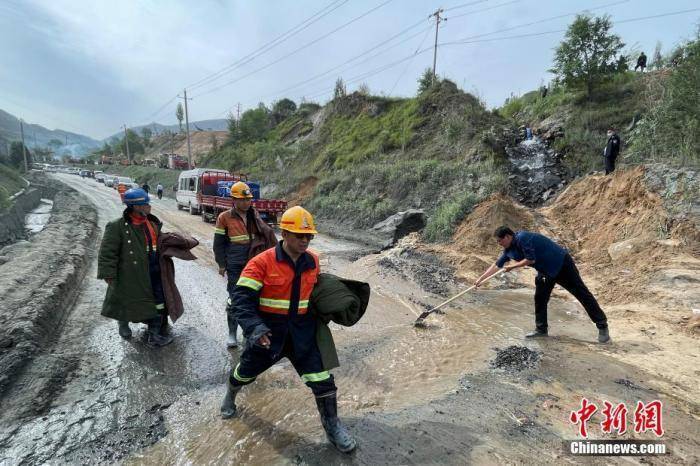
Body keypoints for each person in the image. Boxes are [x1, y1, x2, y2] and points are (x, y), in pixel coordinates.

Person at [219, 206, 357, 453]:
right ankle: (231, 393)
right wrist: (255, 328)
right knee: (244, 373)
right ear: (284, 233)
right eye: (299, 236)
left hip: (302, 333)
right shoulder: (261, 263)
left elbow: (315, 291)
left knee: (322, 381)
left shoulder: (313, 260)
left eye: (309, 236)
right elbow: (240, 300)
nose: (305, 240)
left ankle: (333, 426)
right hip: (268, 334)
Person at [475, 226, 610, 343]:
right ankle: (541, 330)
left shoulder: (523, 238)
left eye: (500, 240)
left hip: (561, 264)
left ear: (508, 236)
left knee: (581, 293)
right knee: (540, 298)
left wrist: (513, 266)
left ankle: (602, 326)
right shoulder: (509, 249)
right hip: (545, 271)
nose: (499, 243)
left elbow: (530, 259)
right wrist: (481, 279)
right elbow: (497, 265)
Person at [97, 188, 173, 347]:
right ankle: (123, 323)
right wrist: (108, 274)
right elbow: (107, 253)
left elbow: (158, 242)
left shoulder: (152, 223)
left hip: (153, 268)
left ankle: (154, 333)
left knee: (158, 299)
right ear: (136, 207)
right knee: (125, 299)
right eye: (146, 204)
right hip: (130, 271)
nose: (149, 207)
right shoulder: (116, 226)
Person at [213, 181, 276, 348]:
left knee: (254, 297)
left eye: (248, 200)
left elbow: (265, 234)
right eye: (242, 200)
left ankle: (250, 332)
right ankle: (232, 333)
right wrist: (221, 264)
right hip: (235, 264)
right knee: (235, 298)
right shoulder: (224, 218)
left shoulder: (254, 216)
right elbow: (218, 244)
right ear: (234, 200)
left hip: (253, 263)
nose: (246, 203)